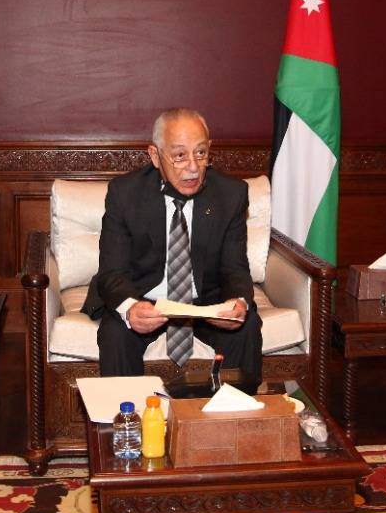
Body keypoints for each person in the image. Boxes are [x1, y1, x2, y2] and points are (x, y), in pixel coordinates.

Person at [85, 108, 262, 378]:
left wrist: (238, 303)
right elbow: (112, 272)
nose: (193, 167)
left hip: (204, 304)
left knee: (246, 326)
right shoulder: (125, 193)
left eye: (200, 153)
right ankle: (125, 407)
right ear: (155, 156)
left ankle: (234, 404)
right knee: (115, 332)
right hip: (144, 300)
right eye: (179, 156)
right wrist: (130, 308)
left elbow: (235, 269)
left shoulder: (231, 194)